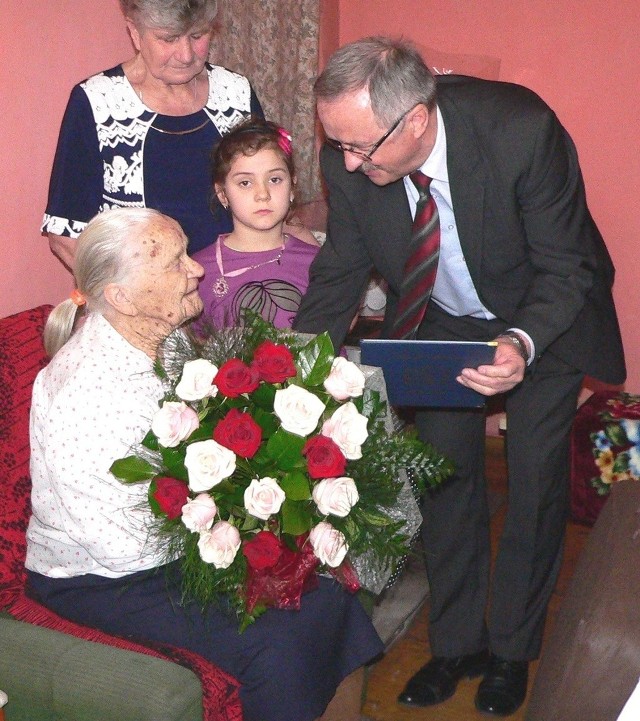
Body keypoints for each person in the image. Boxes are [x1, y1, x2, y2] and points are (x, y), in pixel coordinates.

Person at [293, 36, 625, 717]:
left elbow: (566, 267)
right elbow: (341, 271)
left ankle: (510, 650)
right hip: (439, 317)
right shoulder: (349, 155)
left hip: (543, 314)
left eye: (361, 147)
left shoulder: (520, 131)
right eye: (339, 146)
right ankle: (456, 644)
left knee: (533, 484)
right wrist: (293, 369)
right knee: (443, 478)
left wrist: (521, 341)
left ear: (414, 118)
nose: (347, 163)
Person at [25, 207, 383, 721]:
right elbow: (119, 547)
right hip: (100, 579)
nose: (195, 269)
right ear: (121, 297)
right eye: (174, 263)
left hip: (163, 546)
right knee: (277, 638)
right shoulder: (85, 392)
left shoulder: (163, 340)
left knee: (325, 586)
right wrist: (233, 533)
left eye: (186, 251)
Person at [43, 0, 263, 268]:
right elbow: (66, 234)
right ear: (135, 32)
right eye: (168, 38)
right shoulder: (98, 101)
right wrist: (136, 299)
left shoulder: (235, 93)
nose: (185, 54)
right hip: (140, 298)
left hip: (237, 284)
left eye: (197, 35)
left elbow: (266, 191)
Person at [193, 117, 320, 328]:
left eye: (274, 180)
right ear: (222, 194)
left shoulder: (319, 264)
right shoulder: (198, 272)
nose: (263, 194)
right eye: (245, 183)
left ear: (292, 187)